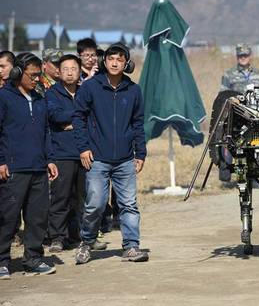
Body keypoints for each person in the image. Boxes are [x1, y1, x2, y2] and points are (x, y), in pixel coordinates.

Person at [73, 43, 148, 264]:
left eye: (120, 59)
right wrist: (83, 147)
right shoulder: (90, 87)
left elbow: (137, 123)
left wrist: (140, 153)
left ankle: (131, 247)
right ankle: (86, 243)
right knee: (95, 203)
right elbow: (78, 118)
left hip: (125, 159)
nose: (115, 62)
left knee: (128, 205)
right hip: (97, 158)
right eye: (111, 58)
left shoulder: (133, 90)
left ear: (127, 64)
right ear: (103, 62)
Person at [0, 53, 59, 279]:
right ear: (17, 73)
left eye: (38, 75)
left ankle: (33, 259)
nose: (36, 79)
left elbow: (46, 131)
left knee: (37, 217)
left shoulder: (41, 99)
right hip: (13, 169)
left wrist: (50, 159)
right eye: (32, 75)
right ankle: (2, 260)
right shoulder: (4, 98)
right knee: (8, 216)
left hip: (38, 167)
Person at [45, 54, 86, 253]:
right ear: (58, 73)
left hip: (84, 153)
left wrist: (71, 124)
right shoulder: (52, 93)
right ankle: (57, 238)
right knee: (60, 198)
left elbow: (92, 116)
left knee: (80, 199)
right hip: (61, 154)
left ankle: (75, 236)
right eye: (65, 69)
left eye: (74, 69)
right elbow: (55, 115)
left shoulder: (85, 92)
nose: (70, 73)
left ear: (80, 72)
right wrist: (79, 116)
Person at [219, 43, 259, 186]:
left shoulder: (258, 73)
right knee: (228, 140)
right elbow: (223, 95)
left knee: (256, 143)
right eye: (240, 55)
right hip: (237, 115)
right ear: (237, 57)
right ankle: (226, 172)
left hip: (255, 115)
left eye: (245, 55)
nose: (243, 58)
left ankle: (253, 176)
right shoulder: (228, 74)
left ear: (250, 56)